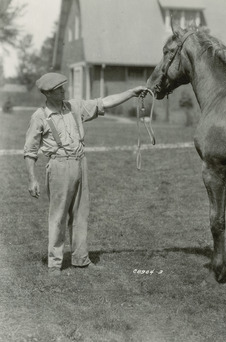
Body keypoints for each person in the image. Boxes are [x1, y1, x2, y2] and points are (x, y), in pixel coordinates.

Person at [24, 72, 148, 276]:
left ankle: (81, 259)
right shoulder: (39, 117)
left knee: (81, 214)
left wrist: (131, 93)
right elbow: (29, 151)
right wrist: (32, 179)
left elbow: (104, 102)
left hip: (81, 163)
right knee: (58, 216)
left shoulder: (75, 106)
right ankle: (55, 264)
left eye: (64, 87)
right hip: (59, 167)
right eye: (60, 89)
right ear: (48, 93)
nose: (64, 91)